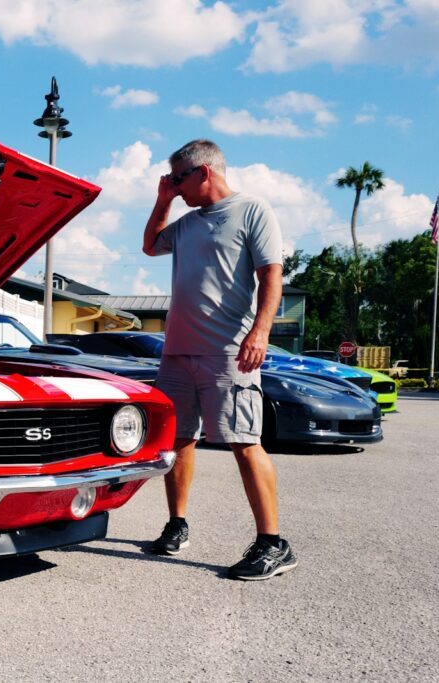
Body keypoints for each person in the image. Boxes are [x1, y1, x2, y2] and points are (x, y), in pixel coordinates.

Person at [141, 139, 297, 581]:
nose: (173, 185)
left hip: (228, 350)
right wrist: (162, 200)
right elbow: (151, 246)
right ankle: (177, 524)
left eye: (177, 178)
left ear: (204, 172)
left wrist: (260, 332)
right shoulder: (187, 223)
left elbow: (272, 274)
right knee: (179, 441)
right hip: (177, 353)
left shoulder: (252, 210)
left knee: (244, 442)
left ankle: (273, 543)